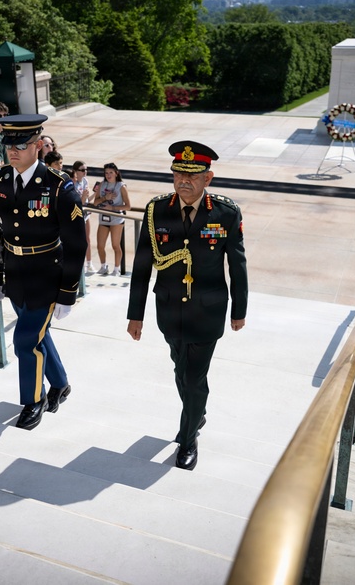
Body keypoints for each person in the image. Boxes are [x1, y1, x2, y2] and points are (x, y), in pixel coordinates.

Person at [127, 141, 248, 471]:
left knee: (194, 377)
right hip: (169, 310)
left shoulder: (225, 213)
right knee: (181, 372)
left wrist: (239, 309)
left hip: (207, 312)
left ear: (208, 178)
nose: (184, 181)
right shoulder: (156, 211)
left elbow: (237, 265)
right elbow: (142, 266)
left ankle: (188, 437)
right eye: (178, 174)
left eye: (192, 176)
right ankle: (198, 411)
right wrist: (135, 315)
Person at [0, 113, 87, 430]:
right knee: (38, 334)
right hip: (15, 272)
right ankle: (61, 384)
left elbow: (77, 244)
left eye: (21, 145)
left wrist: (68, 293)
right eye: (8, 145)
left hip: (47, 274)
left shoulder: (58, 186)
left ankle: (34, 400)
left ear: (38, 145)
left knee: (25, 341)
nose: (12, 151)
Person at [92, 162, 131, 276]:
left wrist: (113, 208)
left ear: (116, 173)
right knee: (100, 245)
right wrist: (105, 198)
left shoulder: (121, 186)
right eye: (106, 173)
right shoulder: (101, 185)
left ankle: (116, 269)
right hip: (103, 218)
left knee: (115, 245)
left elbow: (128, 206)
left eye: (111, 173)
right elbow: (95, 202)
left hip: (116, 219)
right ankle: (103, 266)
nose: (108, 175)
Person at [71, 160, 95, 272]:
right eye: (82, 170)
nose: (85, 172)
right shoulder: (72, 183)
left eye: (86, 169)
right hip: (77, 213)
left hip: (85, 213)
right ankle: (80, 264)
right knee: (78, 240)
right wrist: (83, 197)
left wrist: (95, 193)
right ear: (75, 171)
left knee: (87, 239)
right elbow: (77, 202)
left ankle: (89, 263)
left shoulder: (85, 181)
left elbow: (87, 200)